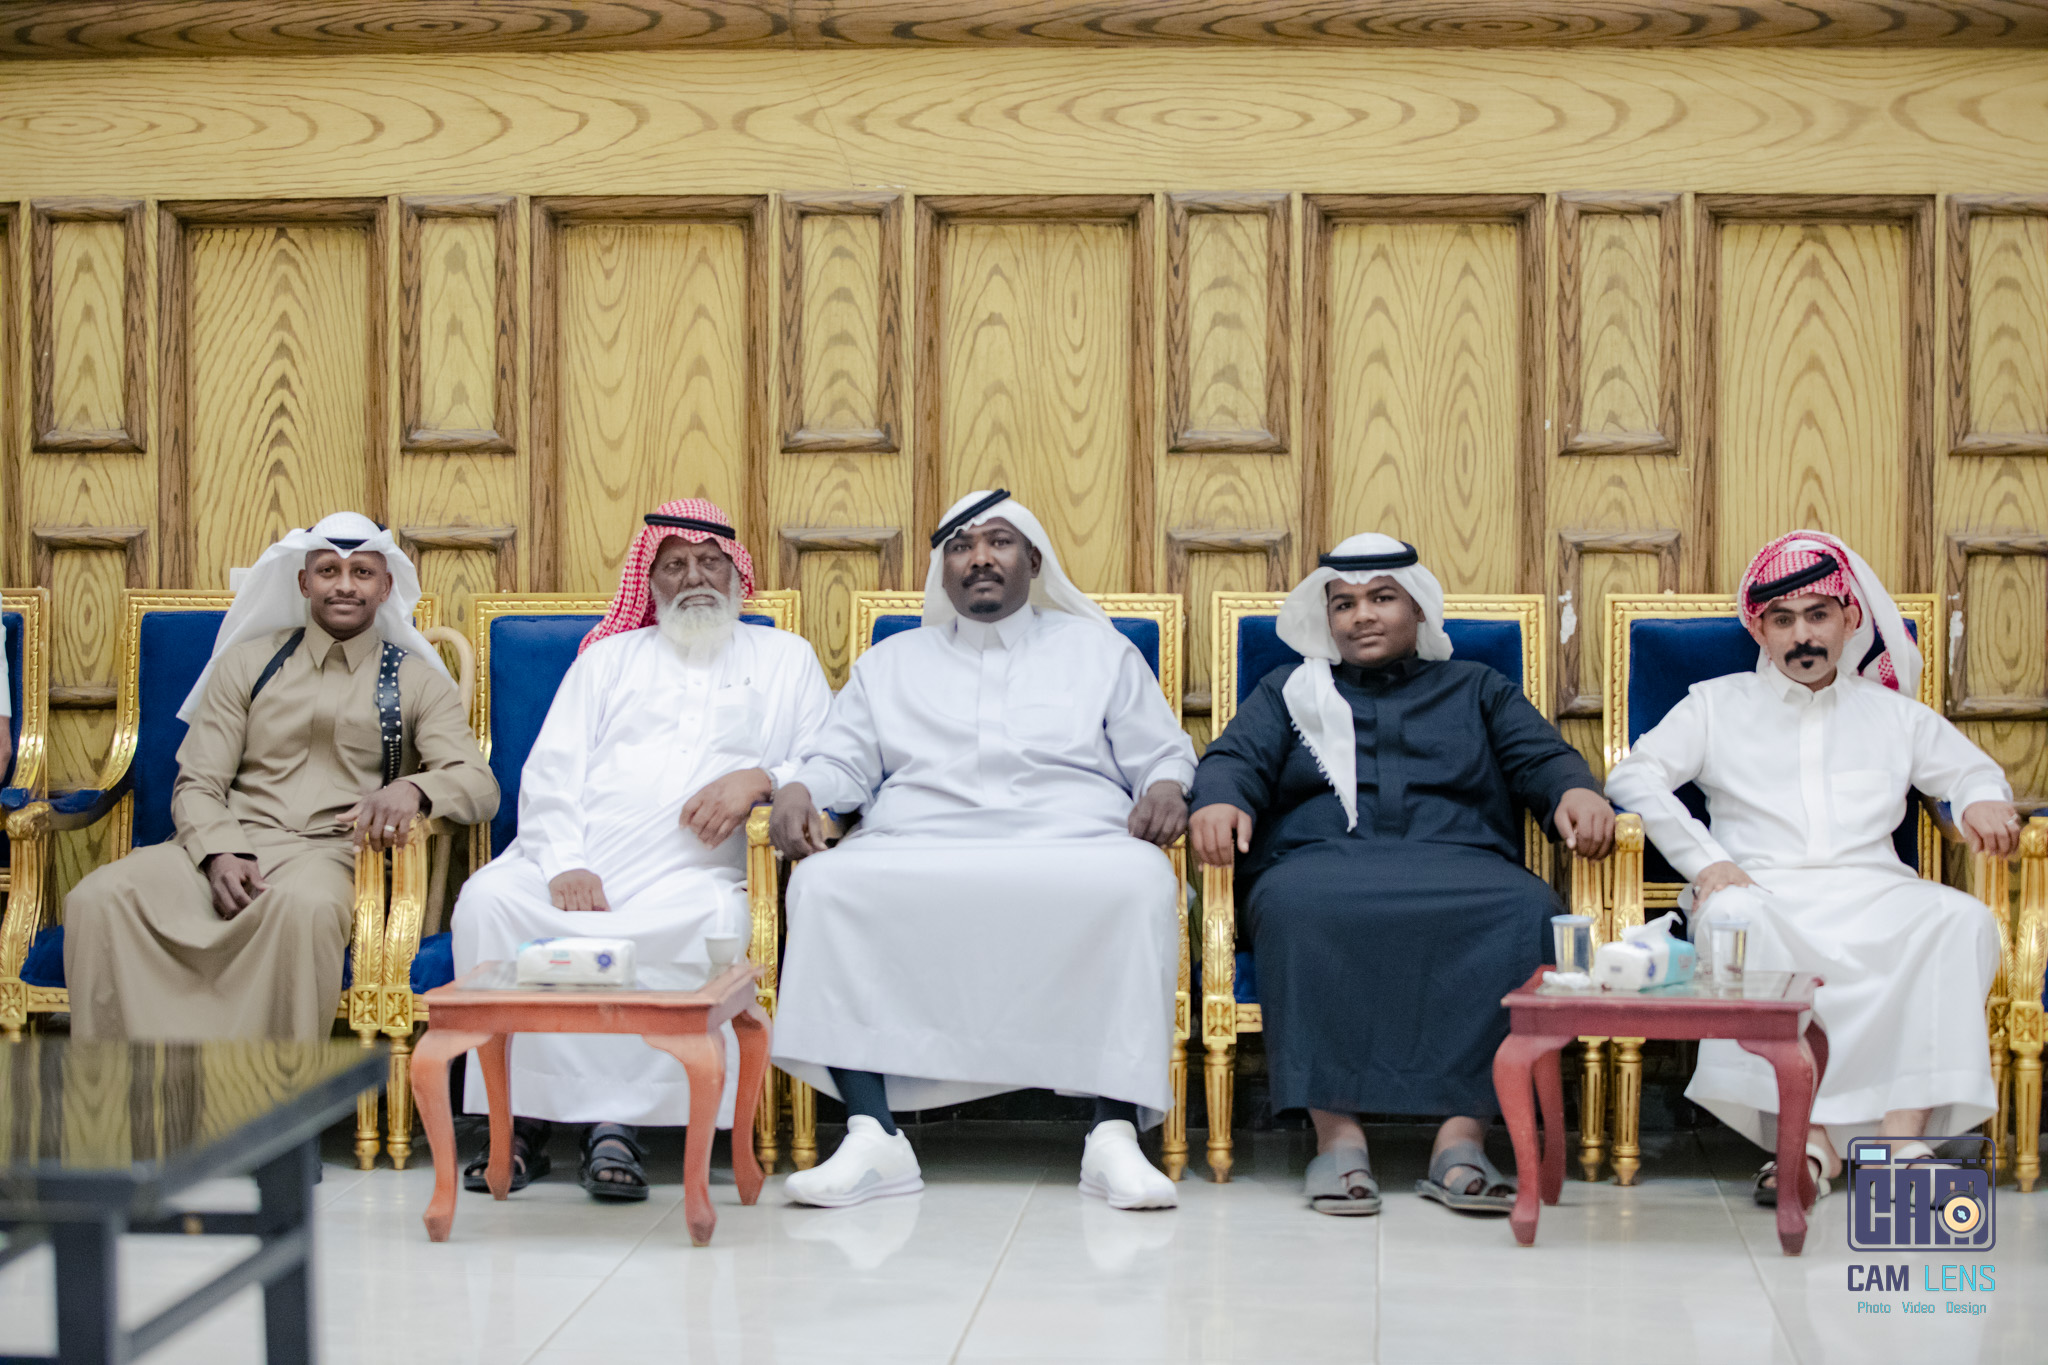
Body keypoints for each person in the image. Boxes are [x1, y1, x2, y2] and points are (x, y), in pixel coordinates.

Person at [769, 490, 1195, 1211]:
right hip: (919, 841)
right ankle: (874, 1134)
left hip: (1073, 840)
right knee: (824, 886)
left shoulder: (1099, 652)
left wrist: (1165, 786)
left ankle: (1113, 1133)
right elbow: (842, 761)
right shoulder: (890, 662)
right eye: (962, 546)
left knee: (1139, 882)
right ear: (945, 570)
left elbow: (1161, 751)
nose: (980, 559)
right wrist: (801, 788)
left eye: (999, 542)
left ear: (1034, 560)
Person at [1188, 534, 1614, 1217]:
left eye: (1382, 598)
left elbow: (1542, 757)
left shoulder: (1477, 687)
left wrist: (1575, 790)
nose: (1362, 615)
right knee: (1295, 906)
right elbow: (1232, 758)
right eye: (1344, 603)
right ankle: (1338, 1142)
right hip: (1320, 867)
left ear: (1417, 608)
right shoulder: (1291, 692)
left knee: (1525, 907)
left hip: (1463, 866)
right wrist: (1217, 799)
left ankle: (1461, 1143)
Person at [1605, 530, 2016, 1204]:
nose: (1802, 635)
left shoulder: (1894, 714)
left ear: (1849, 620)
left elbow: (1971, 771)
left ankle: (1902, 1144)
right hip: (1761, 889)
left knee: (1959, 919)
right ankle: (1806, 1144)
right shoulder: (1716, 704)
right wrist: (1708, 862)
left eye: (1818, 615)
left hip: (1874, 891)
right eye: (1783, 620)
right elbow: (1633, 776)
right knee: (1736, 918)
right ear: (1758, 630)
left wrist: (1981, 800)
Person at [451, 499, 830, 1200]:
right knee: (489, 902)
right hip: (578, 861)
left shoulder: (786, 660)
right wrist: (564, 862)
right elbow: (551, 770)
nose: (695, 577)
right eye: (675, 564)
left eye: (710, 562)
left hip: (690, 877)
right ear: (649, 581)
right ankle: (518, 1120)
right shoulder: (609, 660)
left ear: (737, 573)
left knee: (712, 924)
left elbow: (825, 760)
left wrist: (762, 778)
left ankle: (617, 1123)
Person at [64, 513, 497, 1041]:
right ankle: (124, 1084)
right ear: (303, 582)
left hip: (331, 856)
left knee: (305, 911)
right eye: (328, 570)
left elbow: (479, 785)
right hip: (224, 845)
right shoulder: (248, 664)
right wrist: (220, 852)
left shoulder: (415, 679)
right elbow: (198, 782)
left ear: (385, 588)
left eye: (361, 572)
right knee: (99, 897)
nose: (344, 585)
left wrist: (414, 789)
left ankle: (269, 1089)